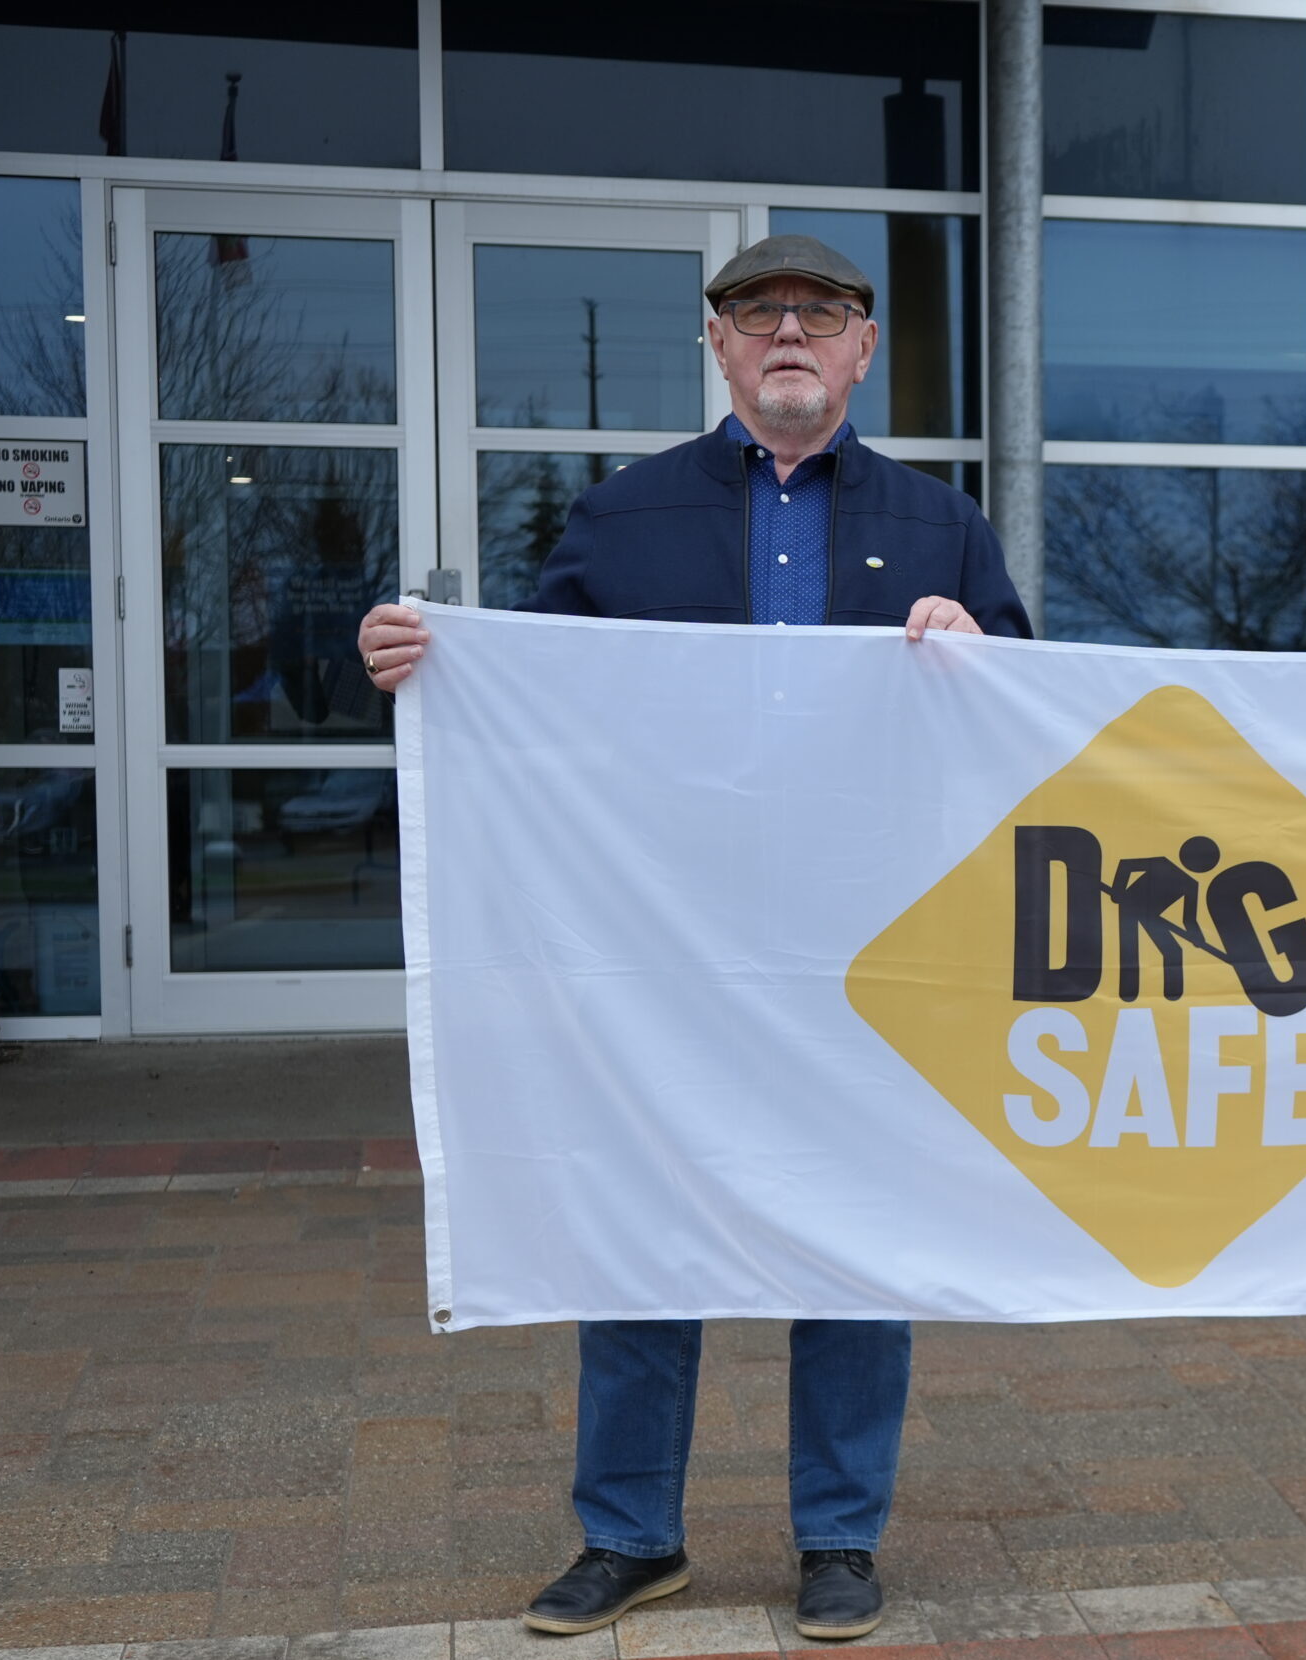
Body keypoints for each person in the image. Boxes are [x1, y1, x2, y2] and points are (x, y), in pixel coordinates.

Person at [355, 233, 1030, 1643]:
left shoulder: (942, 524)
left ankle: (838, 1541)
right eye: (757, 312)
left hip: (864, 950)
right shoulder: (623, 516)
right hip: (659, 951)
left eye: (822, 313)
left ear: (861, 350)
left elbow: (1026, 726)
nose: (790, 330)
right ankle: (630, 1537)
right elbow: (524, 714)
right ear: (717, 346)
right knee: (638, 1229)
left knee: (854, 1244)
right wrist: (423, 675)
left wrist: (983, 650)